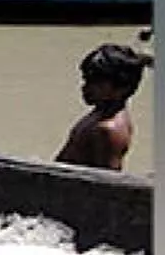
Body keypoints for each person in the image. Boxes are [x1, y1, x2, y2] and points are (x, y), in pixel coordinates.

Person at [55, 43, 151, 171]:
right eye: (86, 79)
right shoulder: (100, 112)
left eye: (96, 82)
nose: (85, 87)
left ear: (121, 88)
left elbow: (108, 182)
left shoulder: (108, 130)